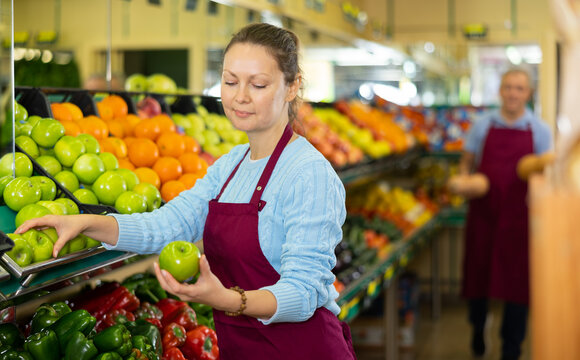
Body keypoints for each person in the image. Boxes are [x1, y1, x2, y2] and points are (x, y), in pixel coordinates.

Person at [16, 23, 356, 359]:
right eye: (230, 81)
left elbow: (304, 291)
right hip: (242, 348)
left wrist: (227, 299)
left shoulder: (308, 173)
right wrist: (86, 222)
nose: (240, 96)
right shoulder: (230, 165)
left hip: (302, 349)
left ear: (292, 86)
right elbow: (165, 225)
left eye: (259, 84)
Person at [458, 68, 552, 360]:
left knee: (517, 285)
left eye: (519, 88)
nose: (513, 93)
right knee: (478, 277)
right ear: (500, 91)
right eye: (508, 87)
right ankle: (477, 329)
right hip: (484, 217)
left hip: (519, 221)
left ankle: (512, 347)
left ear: (529, 93)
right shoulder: (482, 126)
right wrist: (465, 182)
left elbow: (545, 173)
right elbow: (467, 162)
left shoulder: (539, 130)